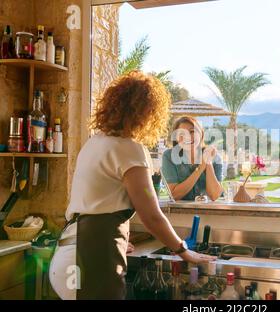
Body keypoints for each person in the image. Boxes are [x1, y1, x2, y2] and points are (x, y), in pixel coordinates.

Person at [49, 71, 215, 300]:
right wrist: (183, 251)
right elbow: (151, 216)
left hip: (68, 255)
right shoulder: (129, 149)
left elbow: (97, 205)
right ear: (147, 113)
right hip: (91, 261)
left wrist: (116, 240)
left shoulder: (95, 142)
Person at [161, 116, 223, 201]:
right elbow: (174, 195)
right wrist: (201, 168)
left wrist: (208, 162)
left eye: (192, 131)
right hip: (179, 212)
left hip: (207, 211)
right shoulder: (169, 156)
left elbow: (214, 195)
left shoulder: (214, 157)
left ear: (201, 134)